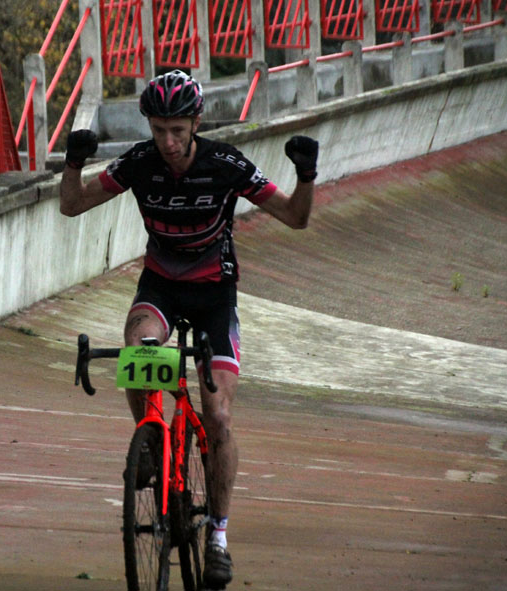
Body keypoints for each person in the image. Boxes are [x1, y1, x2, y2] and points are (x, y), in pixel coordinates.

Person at [60, 69, 318, 589]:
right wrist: (72, 163)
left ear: (196, 122)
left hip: (213, 294)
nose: (169, 142)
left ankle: (218, 536)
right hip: (161, 283)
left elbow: (294, 217)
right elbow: (72, 203)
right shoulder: (140, 162)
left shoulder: (225, 164)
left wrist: (306, 177)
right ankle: (152, 440)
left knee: (217, 414)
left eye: (177, 130)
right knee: (138, 348)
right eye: (159, 130)